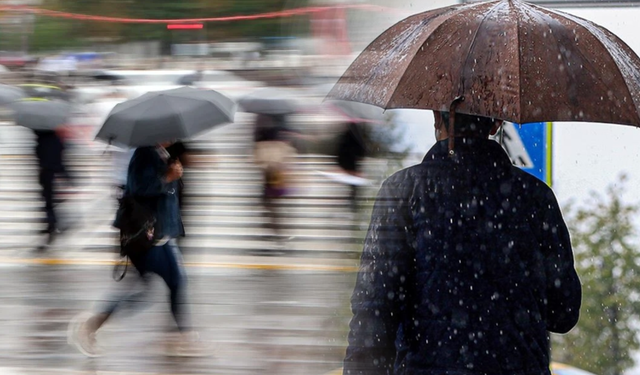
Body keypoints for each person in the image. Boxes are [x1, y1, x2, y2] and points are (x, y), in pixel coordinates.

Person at [342, 111, 582, 375]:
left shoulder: (403, 191)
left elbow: (374, 312)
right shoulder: (535, 198)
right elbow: (564, 312)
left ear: (437, 117)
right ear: (496, 123)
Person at [68, 142, 203, 357]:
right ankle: (90, 325)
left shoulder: (160, 153)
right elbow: (138, 187)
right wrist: (168, 177)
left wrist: (173, 173)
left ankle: (185, 336)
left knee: (171, 283)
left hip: (161, 234)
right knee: (161, 286)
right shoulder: (144, 154)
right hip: (147, 236)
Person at [253, 114, 296, 247]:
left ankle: (278, 231)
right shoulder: (280, 132)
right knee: (274, 204)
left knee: (272, 205)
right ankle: (278, 230)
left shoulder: (261, 131)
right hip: (277, 177)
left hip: (271, 177)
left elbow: (258, 160)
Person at [33, 129, 73, 247]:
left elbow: (42, 153)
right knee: (49, 200)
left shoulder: (44, 137)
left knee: (48, 200)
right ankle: (53, 223)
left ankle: (53, 224)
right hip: (51, 169)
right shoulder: (52, 135)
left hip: (47, 171)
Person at [336, 121, 367, 213]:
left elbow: (341, 149)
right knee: (353, 185)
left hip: (347, 163)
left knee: (351, 184)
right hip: (352, 163)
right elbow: (360, 149)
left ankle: (350, 202)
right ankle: (352, 203)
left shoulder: (346, 135)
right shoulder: (357, 134)